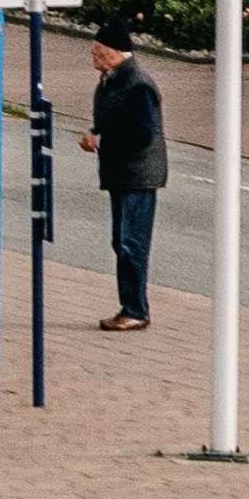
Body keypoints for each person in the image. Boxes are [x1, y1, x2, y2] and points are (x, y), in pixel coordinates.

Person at [90, 25, 170, 331]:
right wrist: (97, 134)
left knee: (131, 243)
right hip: (122, 174)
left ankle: (135, 309)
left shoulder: (136, 85)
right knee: (121, 241)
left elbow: (140, 134)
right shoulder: (111, 81)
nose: (93, 56)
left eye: (97, 50)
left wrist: (99, 142)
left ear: (114, 53)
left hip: (138, 175)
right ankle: (131, 305)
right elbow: (113, 121)